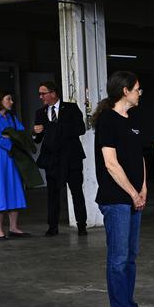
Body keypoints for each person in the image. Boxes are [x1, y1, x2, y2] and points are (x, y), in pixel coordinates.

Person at [94, 71, 154, 307]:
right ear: (125, 90)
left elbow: (138, 157)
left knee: (130, 256)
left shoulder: (133, 118)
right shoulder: (108, 120)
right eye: (138, 88)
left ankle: (129, 306)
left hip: (133, 197)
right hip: (116, 198)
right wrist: (131, 193)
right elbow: (110, 163)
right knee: (118, 258)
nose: (140, 93)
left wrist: (143, 188)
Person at [32, 81, 88, 237]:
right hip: (52, 159)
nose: (41, 97)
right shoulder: (40, 113)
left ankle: (81, 225)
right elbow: (37, 139)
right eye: (40, 94)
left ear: (53, 93)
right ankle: (52, 226)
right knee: (52, 194)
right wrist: (36, 132)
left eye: (43, 93)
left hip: (72, 157)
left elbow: (80, 129)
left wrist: (53, 127)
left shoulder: (70, 108)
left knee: (77, 192)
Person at [0, 91, 30, 239]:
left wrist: (11, 136)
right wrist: (12, 139)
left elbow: (22, 134)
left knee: (15, 187)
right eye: (9, 99)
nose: (11, 102)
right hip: (1, 157)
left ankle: (14, 227)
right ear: (0, 100)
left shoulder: (12, 117)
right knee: (0, 189)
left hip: (13, 156)